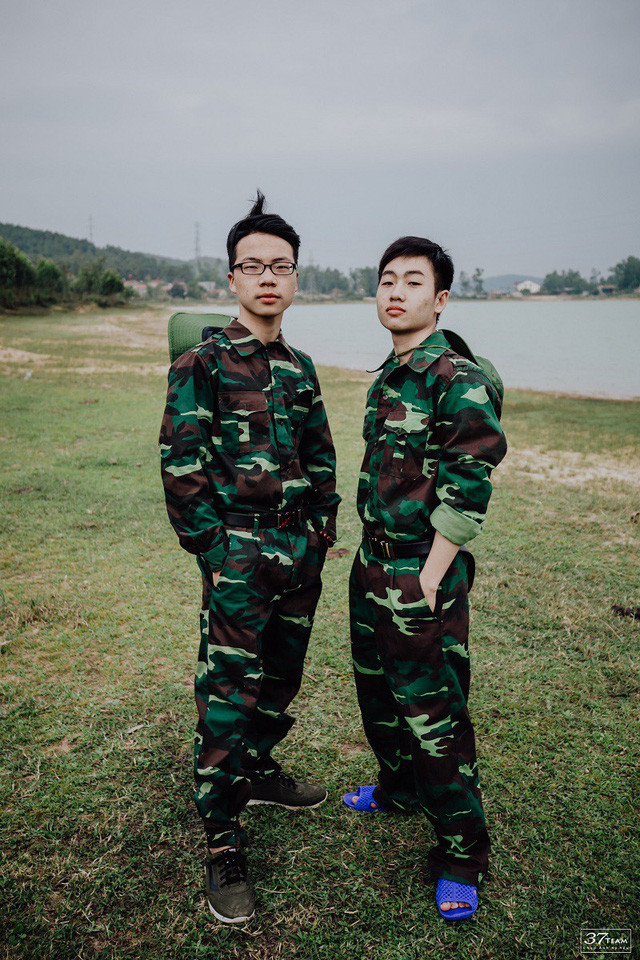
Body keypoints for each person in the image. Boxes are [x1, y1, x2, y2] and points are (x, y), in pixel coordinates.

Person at [159, 191, 340, 924]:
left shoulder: (300, 367)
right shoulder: (202, 362)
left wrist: (321, 531)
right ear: (232, 278)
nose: (268, 277)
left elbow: (321, 456)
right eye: (253, 265)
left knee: (281, 675)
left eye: (281, 265)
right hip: (237, 550)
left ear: (295, 277)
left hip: (298, 550)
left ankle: (259, 769)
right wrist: (214, 549)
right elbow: (181, 466)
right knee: (229, 691)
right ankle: (223, 838)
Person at [343, 236, 507, 921]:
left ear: (440, 300)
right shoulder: (392, 372)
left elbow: (470, 484)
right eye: (387, 279)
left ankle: (461, 855)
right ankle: (398, 788)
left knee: (434, 715)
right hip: (372, 563)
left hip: (420, 570)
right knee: (379, 694)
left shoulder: (455, 376)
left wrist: (431, 577)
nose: (395, 291)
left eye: (413, 281)